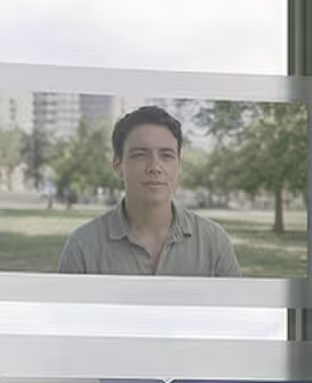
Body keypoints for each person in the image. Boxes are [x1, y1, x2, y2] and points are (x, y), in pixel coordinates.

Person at [57, 106, 243, 277]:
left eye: (166, 156)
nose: (155, 167)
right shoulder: (82, 247)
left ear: (179, 165)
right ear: (118, 164)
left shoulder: (214, 242)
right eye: (140, 155)